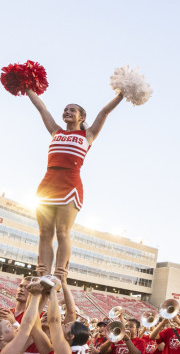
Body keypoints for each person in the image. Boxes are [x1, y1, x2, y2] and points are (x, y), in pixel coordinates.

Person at [25, 86, 124, 277]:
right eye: (65, 109)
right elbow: (42, 109)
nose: (67, 112)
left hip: (70, 185)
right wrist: (28, 88)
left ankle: (60, 274)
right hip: (47, 184)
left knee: (62, 231)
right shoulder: (56, 132)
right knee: (44, 232)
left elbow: (104, 112)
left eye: (73, 110)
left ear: (82, 118)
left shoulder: (88, 135)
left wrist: (121, 94)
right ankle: (43, 273)